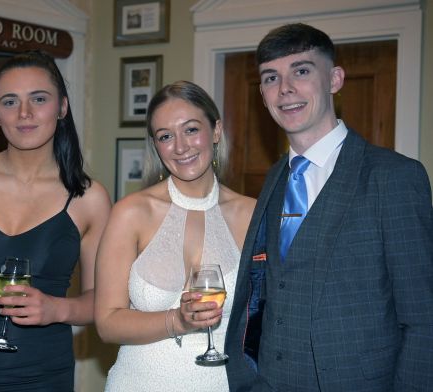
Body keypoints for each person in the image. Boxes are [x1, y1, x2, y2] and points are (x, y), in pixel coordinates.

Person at [225, 23, 433, 391]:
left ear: (334, 78)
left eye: (301, 71)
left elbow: (423, 320)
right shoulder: (274, 178)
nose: (285, 88)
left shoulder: (395, 177)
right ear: (262, 92)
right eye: (271, 77)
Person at [0, 50, 111, 391]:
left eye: (38, 98)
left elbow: (103, 300)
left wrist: (56, 308)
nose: (24, 113)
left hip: (43, 374)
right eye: (9, 101)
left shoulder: (88, 198)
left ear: (62, 107)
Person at [95, 80, 256, 391]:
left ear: (217, 131)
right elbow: (107, 323)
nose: (180, 146)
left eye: (192, 129)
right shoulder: (131, 213)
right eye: (166, 136)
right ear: (156, 146)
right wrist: (177, 321)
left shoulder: (252, 214)